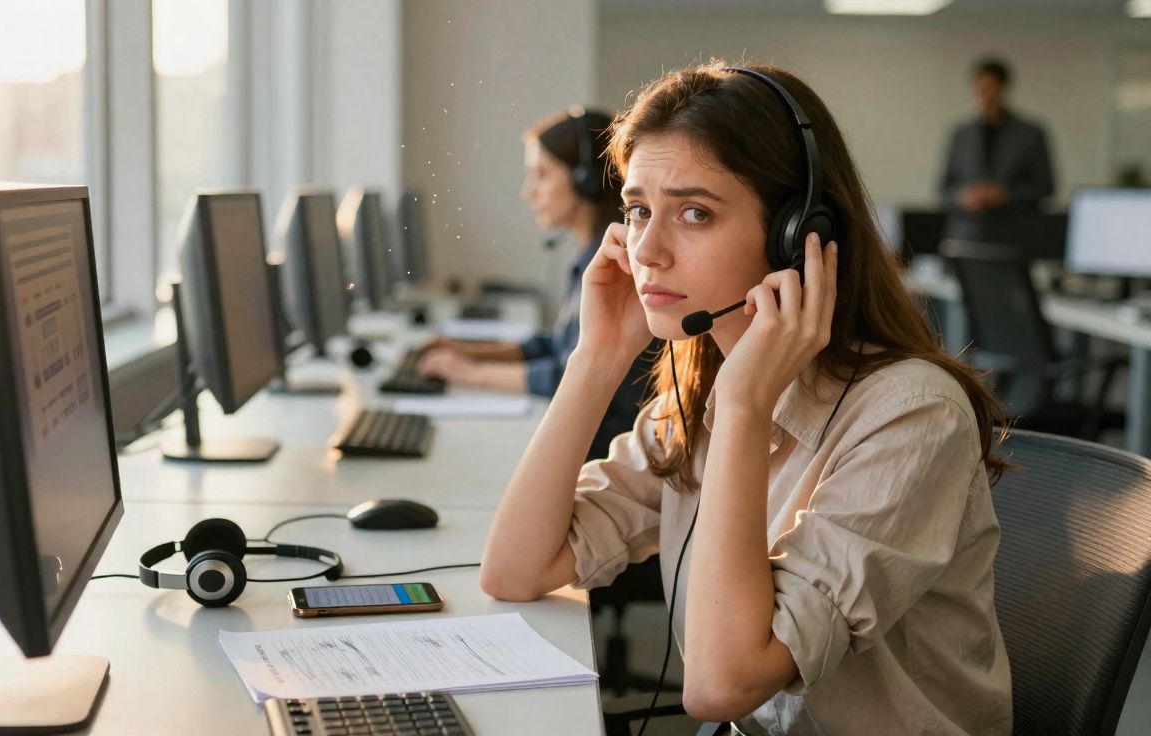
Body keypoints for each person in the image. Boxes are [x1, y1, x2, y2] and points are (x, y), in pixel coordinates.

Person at [480, 60, 1013, 734]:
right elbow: (515, 570)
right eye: (638, 211)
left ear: (799, 235)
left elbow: (720, 685)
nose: (645, 250)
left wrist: (742, 409)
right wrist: (596, 359)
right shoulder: (698, 388)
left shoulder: (911, 415)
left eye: (694, 213)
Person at [419, 107, 659, 461]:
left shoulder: (619, 267)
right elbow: (556, 345)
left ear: (585, 179)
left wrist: (473, 373)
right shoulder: (589, 256)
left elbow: (570, 373)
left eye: (541, 175)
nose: (528, 192)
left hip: (604, 455)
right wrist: (466, 350)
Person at [939, 56, 1055, 243]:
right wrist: (963, 198)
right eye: (979, 89)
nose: (983, 95)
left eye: (989, 88)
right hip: (966, 235)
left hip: (1013, 237)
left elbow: (1045, 187)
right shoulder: (960, 134)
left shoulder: (1030, 134)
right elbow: (944, 188)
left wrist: (1005, 195)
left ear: (1002, 88)